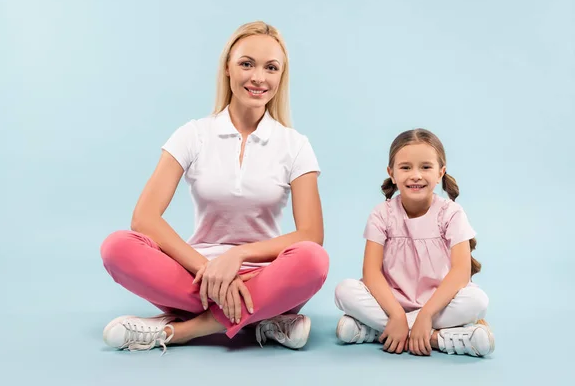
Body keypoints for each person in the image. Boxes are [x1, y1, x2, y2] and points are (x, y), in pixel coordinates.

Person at [100, 21, 329, 355]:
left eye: (271, 68)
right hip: (197, 274)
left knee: (313, 260)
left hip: (265, 275)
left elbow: (311, 233)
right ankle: (263, 319)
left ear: (281, 77)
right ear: (227, 68)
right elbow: (145, 218)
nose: (258, 78)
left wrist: (237, 256)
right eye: (246, 63)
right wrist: (209, 270)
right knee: (117, 247)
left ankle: (179, 331)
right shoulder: (193, 134)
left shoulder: (295, 145)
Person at [334, 128, 495, 357]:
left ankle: (375, 331)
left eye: (426, 167)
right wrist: (397, 315)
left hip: (438, 306)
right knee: (344, 291)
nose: (416, 175)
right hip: (390, 303)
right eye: (406, 167)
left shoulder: (451, 213)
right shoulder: (382, 214)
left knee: (477, 301)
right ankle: (436, 338)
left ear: (441, 172)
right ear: (392, 173)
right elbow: (371, 273)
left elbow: (461, 272)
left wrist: (426, 315)